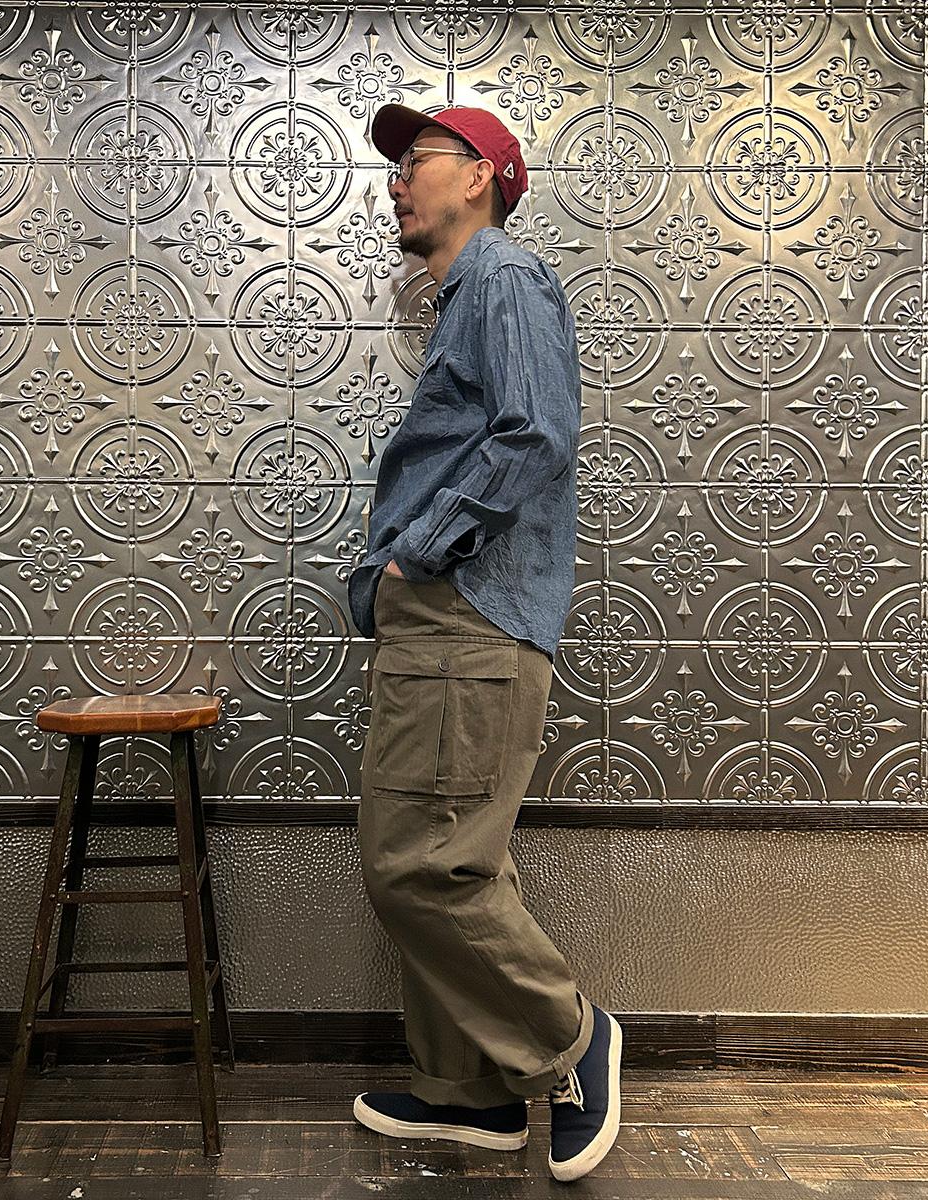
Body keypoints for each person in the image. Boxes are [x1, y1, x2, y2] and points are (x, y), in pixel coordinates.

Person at [346, 102, 622, 1182]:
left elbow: (537, 430)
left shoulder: (503, 276)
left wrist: (420, 553)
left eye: (416, 160)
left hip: (466, 612)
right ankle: (472, 1093)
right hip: (449, 616)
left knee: (422, 864)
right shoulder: (470, 293)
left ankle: (569, 1038)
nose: (397, 182)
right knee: (447, 850)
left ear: (481, 177)